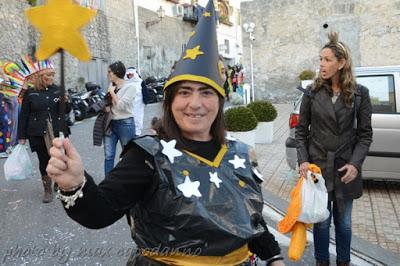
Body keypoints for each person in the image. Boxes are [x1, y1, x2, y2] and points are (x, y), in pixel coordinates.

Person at [46, 1, 284, 265]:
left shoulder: (239, 153)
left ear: (219, 101)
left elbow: (250, 218)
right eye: (184, 92)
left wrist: (274, 257)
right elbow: (99, 212)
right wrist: (75, 184)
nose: (195, 103)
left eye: (206, 93)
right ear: (170, 103)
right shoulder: (148, 156)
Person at [295, 32, 373, 266]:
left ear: (341, 63)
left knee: (344, 222)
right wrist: (303, 161)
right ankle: (321, 262)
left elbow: (365, 135)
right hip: (318, 168)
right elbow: (301, 132)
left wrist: (355, 164)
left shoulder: (360, 94)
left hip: (345, 167)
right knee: (320, 221)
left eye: (327, 59)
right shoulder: (311, 92)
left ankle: (343, 262)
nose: (321, 64)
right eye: (320, 59)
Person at [17, 55, 70, 203]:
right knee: (44, 161)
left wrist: (66, 102)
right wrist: (21, 136)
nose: (51, 78)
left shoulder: (57, 90)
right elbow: (24, 115)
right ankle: (47, 189)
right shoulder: (30, 92)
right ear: (41, 76)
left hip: (57, 130)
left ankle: (58, 183)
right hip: (38, 132)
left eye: (53, 75)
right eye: (48, 75)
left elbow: (65, 111)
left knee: (58, 158)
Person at [103, 61, 136, 176]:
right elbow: (110, 104)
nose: (108, 74)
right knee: (108, 155)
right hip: (110, 124)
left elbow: (121, 106)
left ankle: (128, 180)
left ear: (117, 72)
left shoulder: (130, 87)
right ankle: (108, 183)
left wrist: (112, 93)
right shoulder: (112, 86)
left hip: (125, 124)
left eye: (109, 72)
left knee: (128, 155)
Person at [124, 67, 144, 136]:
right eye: (128, 74)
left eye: (131, 74)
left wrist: (145, 101)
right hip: (128, 105)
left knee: (137, 119)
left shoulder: (140, 82)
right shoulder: (125, 83)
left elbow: (145, 93)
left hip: (138, 105)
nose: (130, 76)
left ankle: (137, 134)